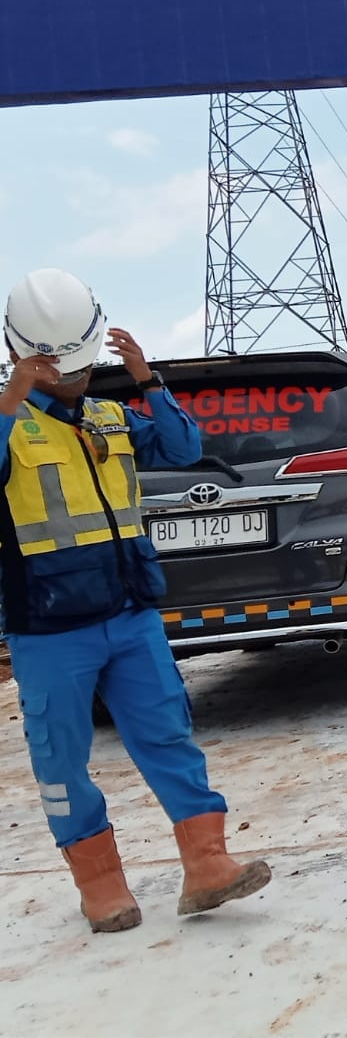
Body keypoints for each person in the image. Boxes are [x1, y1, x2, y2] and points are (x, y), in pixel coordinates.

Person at [0, 269, 270, 934]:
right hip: (48, 629)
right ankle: (101, 886)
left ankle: (208, 864)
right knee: (60, 759)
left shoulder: (109, 417)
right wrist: (13, 394)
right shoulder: (11, 427)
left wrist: (148, 379)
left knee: (168, 736)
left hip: (130, 616)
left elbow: (183, 446)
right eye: (63, 370)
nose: (77, 380)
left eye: (84, 367)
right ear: (22, 355)